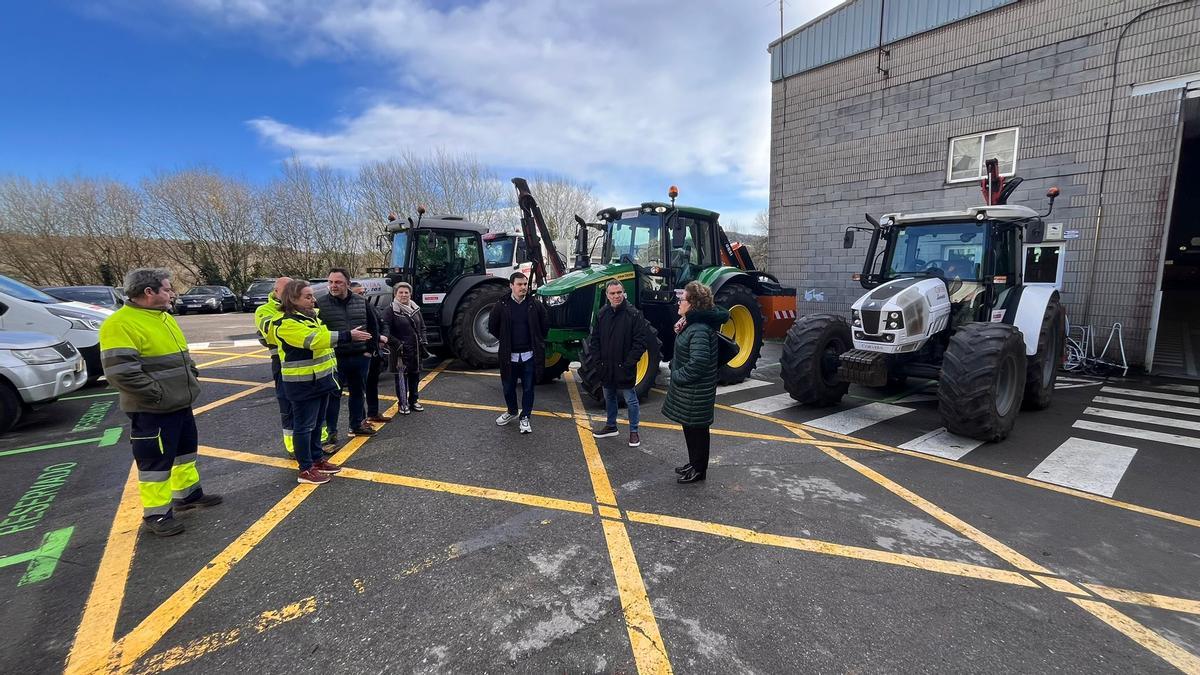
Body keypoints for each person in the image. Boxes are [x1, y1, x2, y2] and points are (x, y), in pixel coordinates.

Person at [99, 268, 222, 536]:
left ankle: (188, 496)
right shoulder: (121, 324)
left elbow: (182, 355)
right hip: (153, 409)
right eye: (167, 289)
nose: (171, 294)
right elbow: (121, 373)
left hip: (179, 402)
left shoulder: (162, 318)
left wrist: (192, 375)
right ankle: (156, 515)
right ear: (148, 292)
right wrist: (158, 395)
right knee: (154, 463)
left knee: (184, 454)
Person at [271, 279, 371, 484]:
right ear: (292, 299)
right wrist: (347, 335)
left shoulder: (311, 319)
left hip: (321, 381)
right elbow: (315, 340)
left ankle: (317, 460)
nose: (313, 300)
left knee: (317, 424)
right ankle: (305, 469)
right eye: (308, 297)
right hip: (302, 385)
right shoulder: (285, 323)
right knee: (304, 426)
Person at [662, 281, 728, 484]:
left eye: (682, 299)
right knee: (691, 429)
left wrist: (677, 375)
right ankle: (694, 463)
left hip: (695, 390)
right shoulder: (691, 324)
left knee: (697, 431)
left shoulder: (698, 329)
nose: (678, 303)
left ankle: (699, 470)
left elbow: (699, 363)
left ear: (693, 303)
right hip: (691, 390)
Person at [316, 268, 383, 445]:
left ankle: (356, 425)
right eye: (330, 282)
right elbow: (316, 332)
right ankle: (331, 432)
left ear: (347, 282)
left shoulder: (361, 301)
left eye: (337, 282)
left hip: (360, 357)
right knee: (333, 396)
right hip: (335, 358)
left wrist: (370, 351)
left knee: (357, 393)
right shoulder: (320, 304)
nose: (333, 285)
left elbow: (373, 326)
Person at [588, 279, 647, 447]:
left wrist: (628, 364)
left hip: (624, 366)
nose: (616, 296)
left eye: (619, 293)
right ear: (607, 295)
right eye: (613, 293)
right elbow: (595, 340)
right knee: (609, 396)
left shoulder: (633, 314)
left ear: (623, 293)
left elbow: (640, 343)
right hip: (606, 366)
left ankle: (634, 431)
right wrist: (598, 362)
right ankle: (611, 425)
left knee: (631, 399)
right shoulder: (602, 314)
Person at [488, 272, 548, 434]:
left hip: (529, 356)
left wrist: (537, 341)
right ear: (511, 286)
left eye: (525, 284)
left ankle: (525, 417)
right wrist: (506, 339)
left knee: (529, 389)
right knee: (508, 387)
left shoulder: (534, 305)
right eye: (520, 284)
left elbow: (544, 326)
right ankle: (512, 411)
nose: (523, 287)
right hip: (509, 356)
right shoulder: (502, 305)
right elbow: (493, 326)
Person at [255, 276, 296, 456]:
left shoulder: (301, 307)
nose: (290, 295)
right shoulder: (264, 310)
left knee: (310, 406)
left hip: (305, 362)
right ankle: (293, 447)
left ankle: (317, 442)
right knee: (287, 405)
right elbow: (272, 334)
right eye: (286, 291)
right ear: (276, 292)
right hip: (282, 362)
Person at [382, 282, 429, 414]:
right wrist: (398, 344)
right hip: (399, 351)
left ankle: (414, 400)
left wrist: (423, 340)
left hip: (416, 350)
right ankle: (402, 403)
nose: (403, 295)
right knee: (401, 378)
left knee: (415, 376)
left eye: (406, 292)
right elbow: (385, 331)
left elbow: (422, 327)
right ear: (395, 294)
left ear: (410, 294)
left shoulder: (415, 308)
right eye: (400, 292)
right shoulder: (390, 311)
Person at [352, 281, 392, 424]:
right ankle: (360, 420)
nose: (363, 296)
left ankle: (373, 413)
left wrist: (384, 336)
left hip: (374, 351)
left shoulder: (371, 307)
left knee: (372, 384)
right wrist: (377, 337)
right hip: (361, 353)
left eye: (364, 293)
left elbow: (383, 323)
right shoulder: (352, 311)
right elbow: (360, 331)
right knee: (359, 389)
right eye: (359, 293)